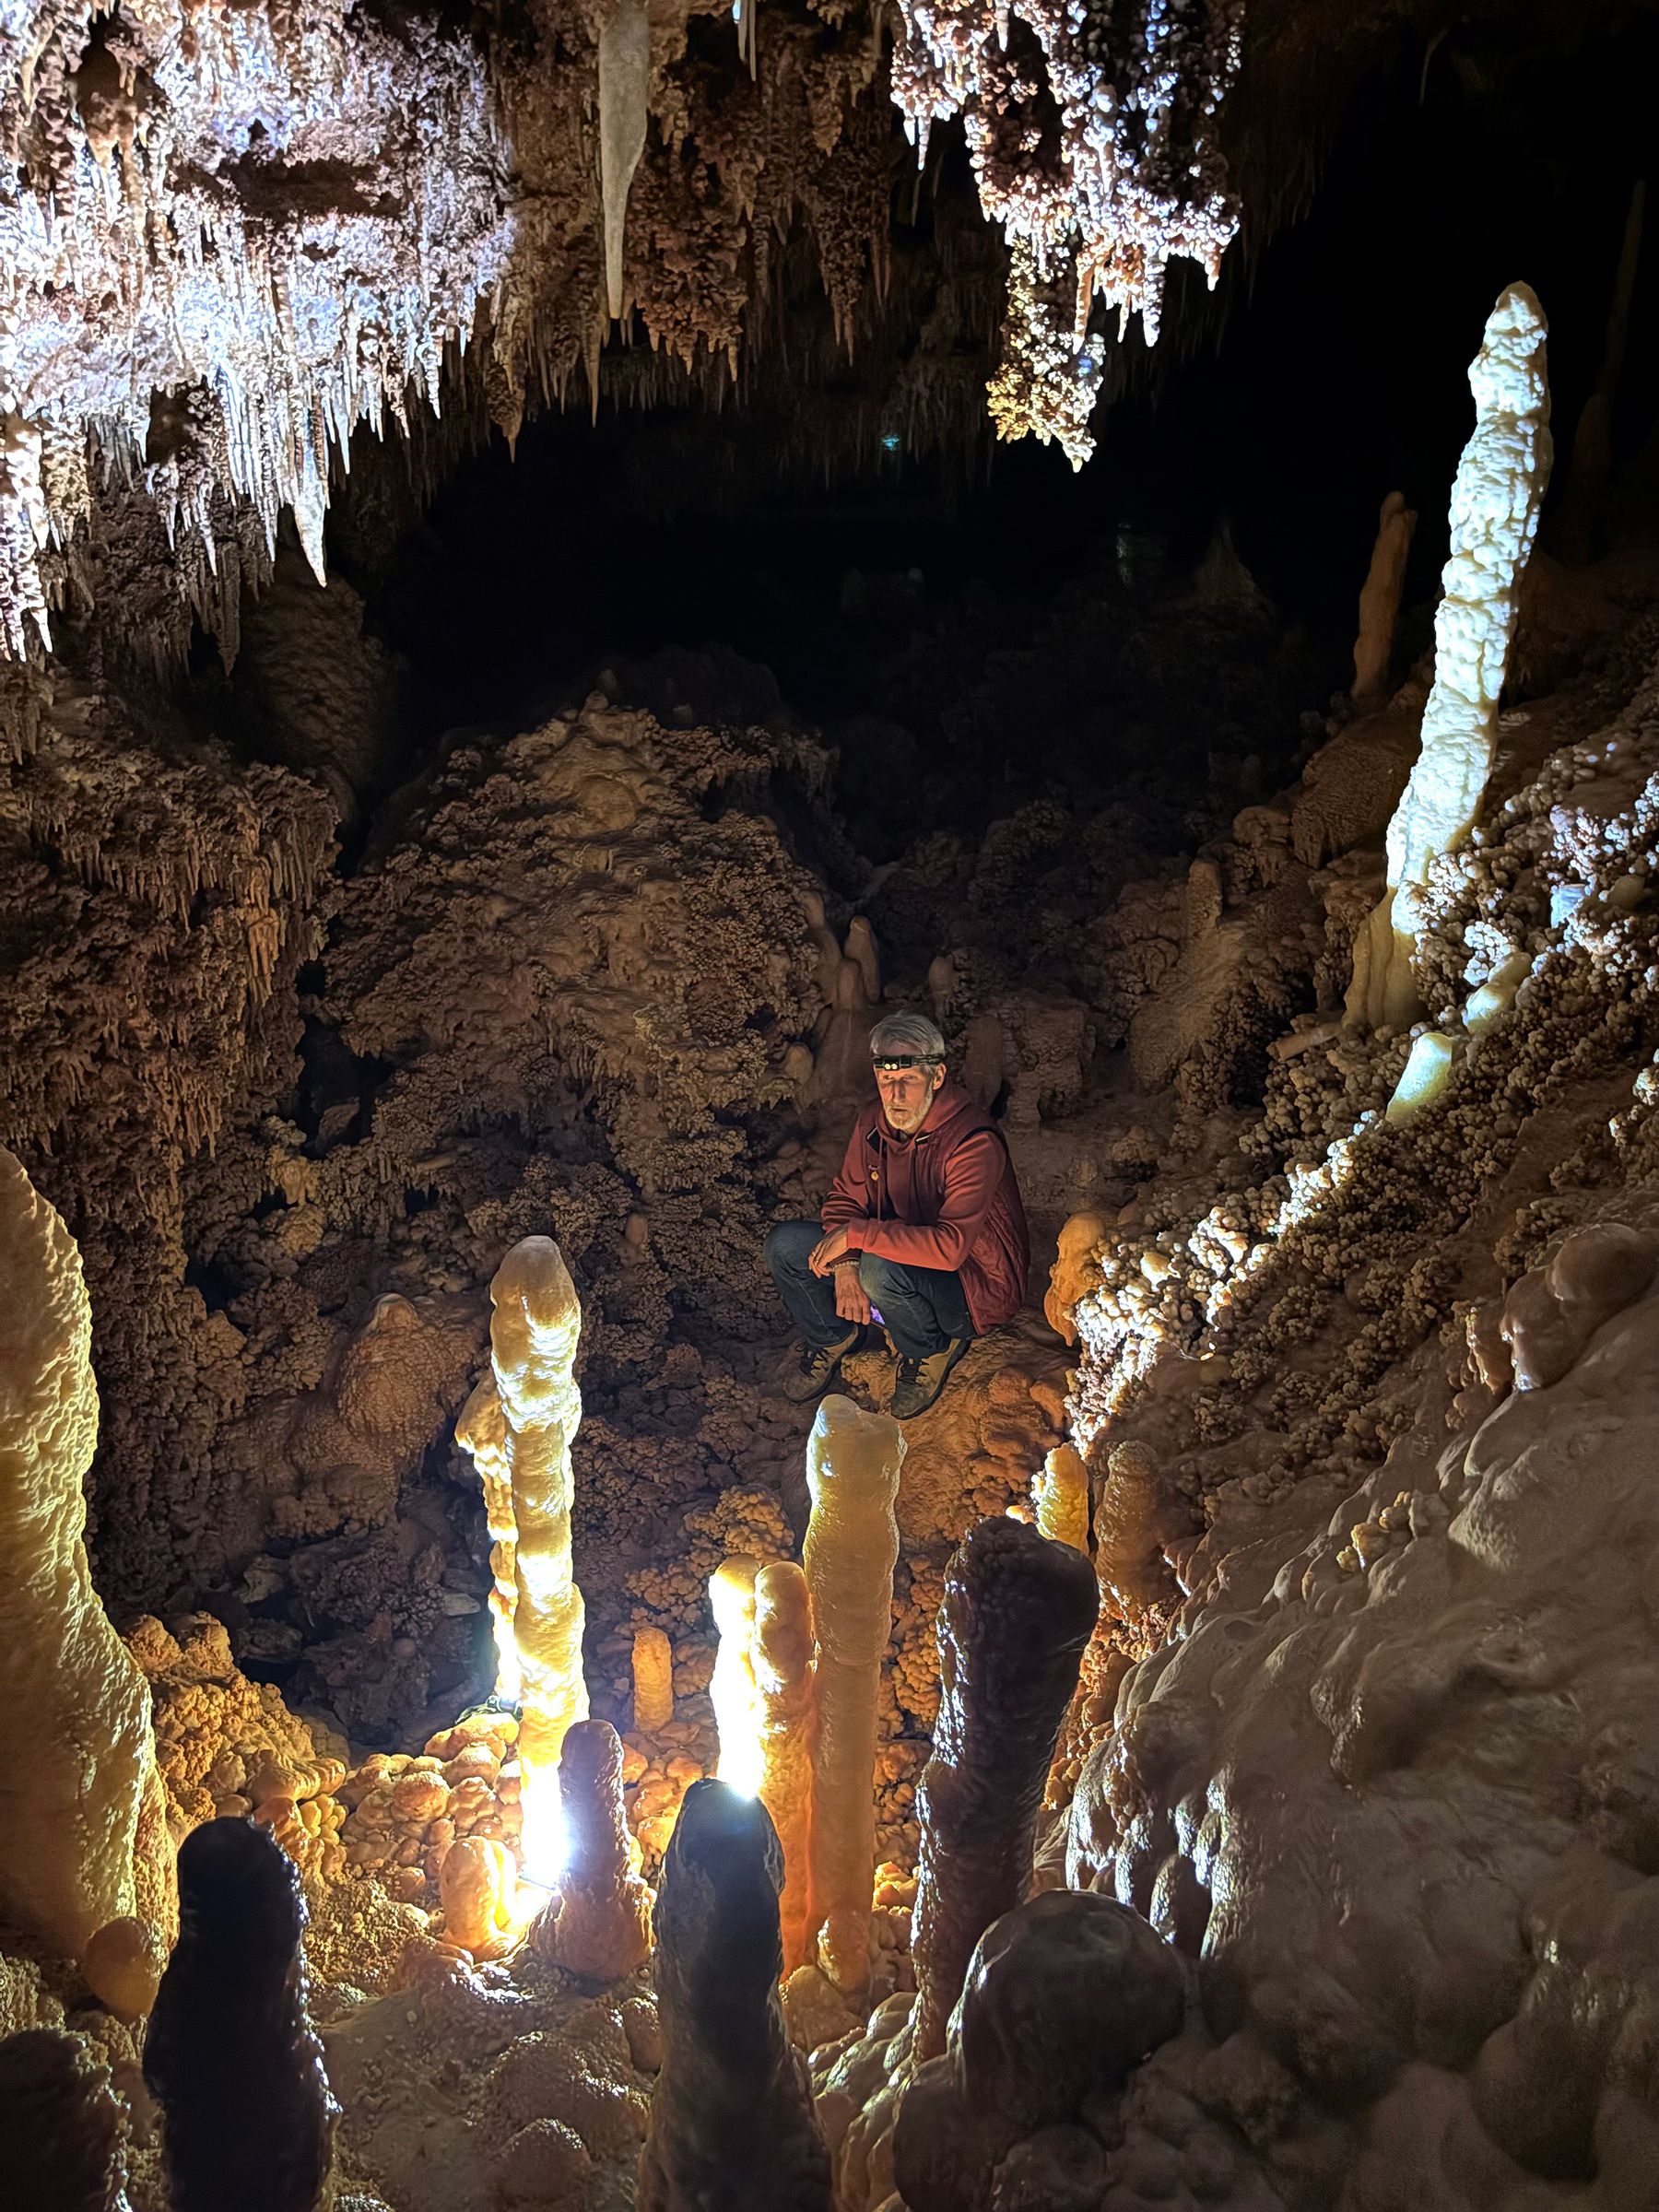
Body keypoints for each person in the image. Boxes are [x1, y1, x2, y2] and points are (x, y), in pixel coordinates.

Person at [764, 1011, 1030, 1419]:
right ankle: (833, 1334)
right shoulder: (874, 1122)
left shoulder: (973, 1143)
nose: (896, 1095)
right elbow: (845, 1199)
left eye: (909, 1080)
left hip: (973, 1286)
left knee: (878, 1268)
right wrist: (846, 1264)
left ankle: (930, 1348)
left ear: (937, 1077)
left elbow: (949, 1249)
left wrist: (857, 1240)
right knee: (786, 1246)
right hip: (892, 1254)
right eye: (887, 1081)